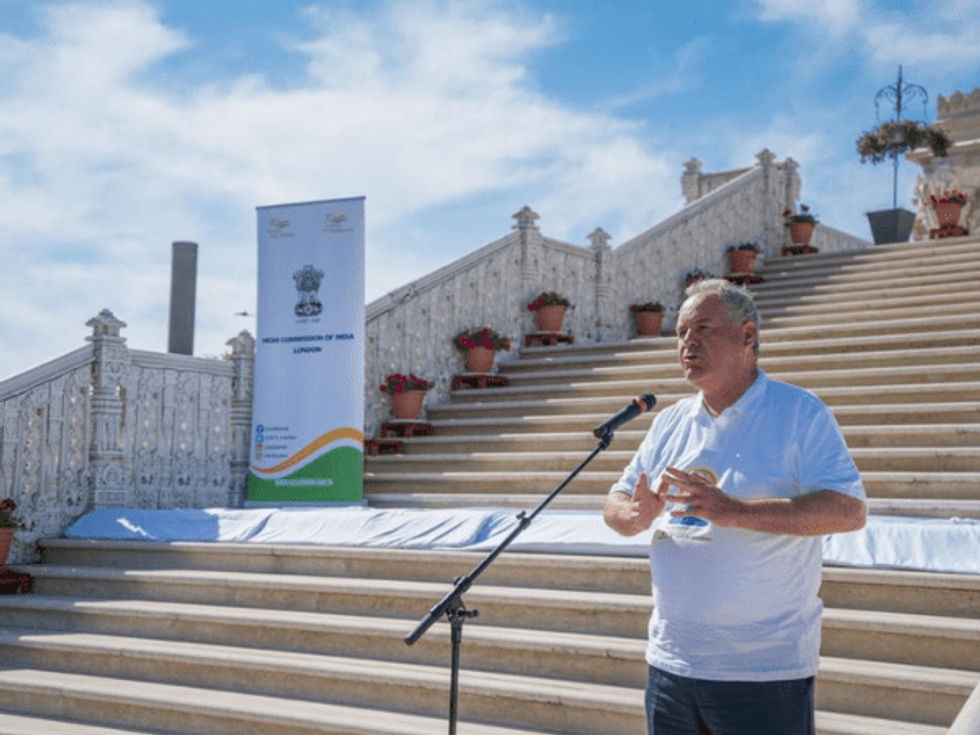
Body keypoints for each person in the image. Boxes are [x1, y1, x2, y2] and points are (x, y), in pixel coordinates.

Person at [603, 279, 867, 735]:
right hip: (671, 664)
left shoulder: (799, 412)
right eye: (682, 333)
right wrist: (630, 515)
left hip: (761, 673)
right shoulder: (669, 423)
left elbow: (847, 510)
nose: (688, 343)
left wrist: (735, 512)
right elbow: (617, 499)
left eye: (703, 329)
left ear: (747, 336)